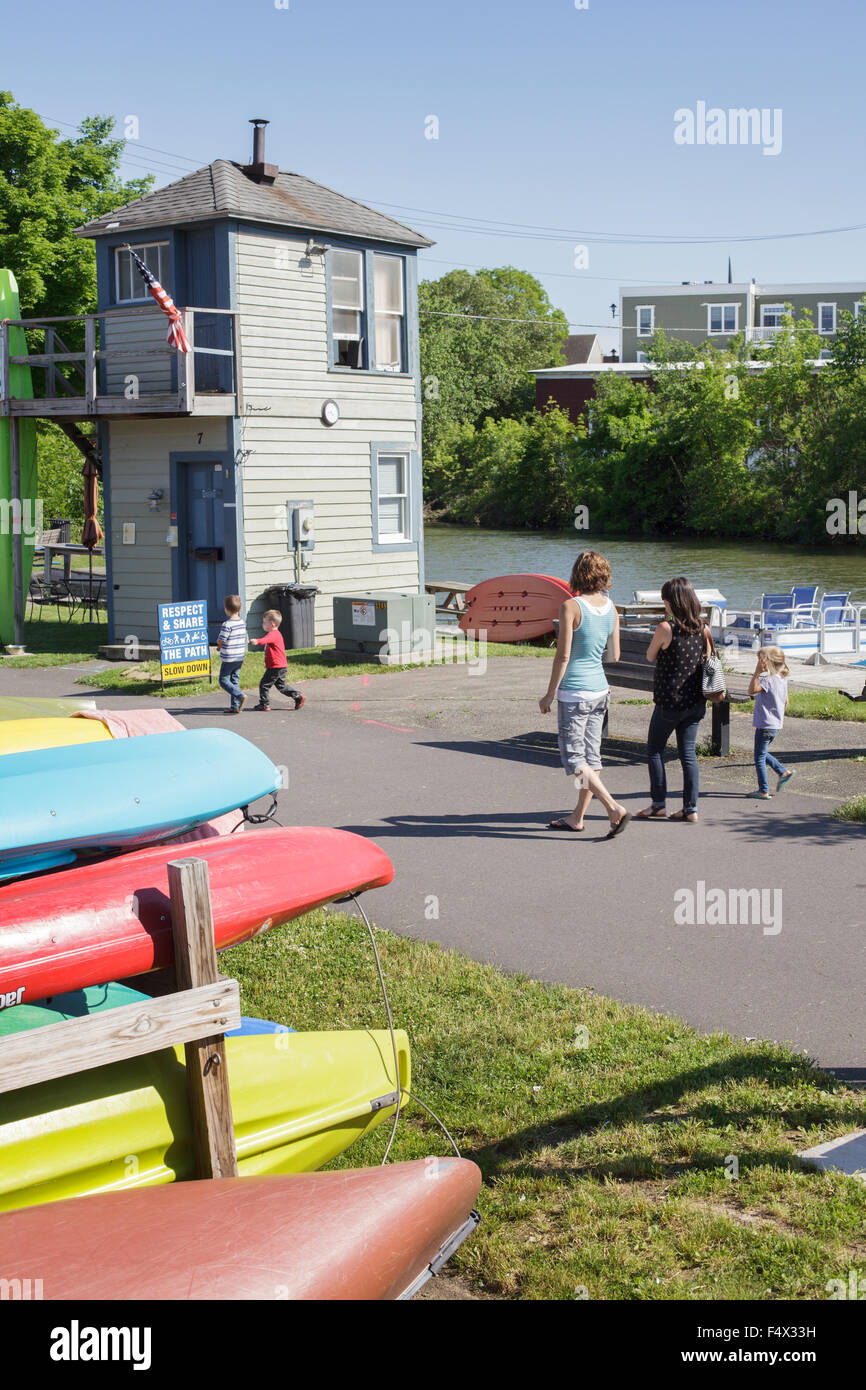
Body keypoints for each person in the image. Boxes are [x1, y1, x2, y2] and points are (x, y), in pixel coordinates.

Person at [539, 550, 629, 838]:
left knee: (576, 760)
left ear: (578, 574)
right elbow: (614, 655)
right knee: (592, 759)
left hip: (575, 693)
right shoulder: (611, 607)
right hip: (600, 690)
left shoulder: (570, 606)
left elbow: (562, 656)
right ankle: (577, 816)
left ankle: (613, 808)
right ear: (604, 575)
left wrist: (549, 694)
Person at [638, 576, 709, 824]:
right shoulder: (704, 627)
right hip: (696, 703)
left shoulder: (666, 628)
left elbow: (650, 656)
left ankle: (658, 804)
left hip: (670, 702)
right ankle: (691, 809)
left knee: (655, 750)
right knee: (688, 754)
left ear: (669, 602)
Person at [749, 646, 794, 799]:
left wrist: (756, 672)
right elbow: (786, 702)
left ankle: (763, 790)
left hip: (765, 725)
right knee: (761, 753)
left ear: (766, 662)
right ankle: (783, 772)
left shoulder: (767, 680)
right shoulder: (782, 679)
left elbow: (751, 690)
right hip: (775, 725)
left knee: (759, 758)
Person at [250, 610, 305, 712]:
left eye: (264, 622)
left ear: (272, 624)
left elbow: (265, 640)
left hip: (276, 666)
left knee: (264, 684)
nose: (263, 624)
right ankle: (297, 696)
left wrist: (257, 641)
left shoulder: (273, 634)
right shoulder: (276, 634)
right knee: (281, 686)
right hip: (281, 666)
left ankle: (264, 704)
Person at [216, 594, 248, 715]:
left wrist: (219, 645)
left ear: (226, 609)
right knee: (235, 679)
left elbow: (222, 640)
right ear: (240, 609)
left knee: (223, 680)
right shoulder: (242, 622)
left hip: (229, 657)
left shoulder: (227, 624)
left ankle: (240, 695)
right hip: (239, 656)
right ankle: (235, 706)